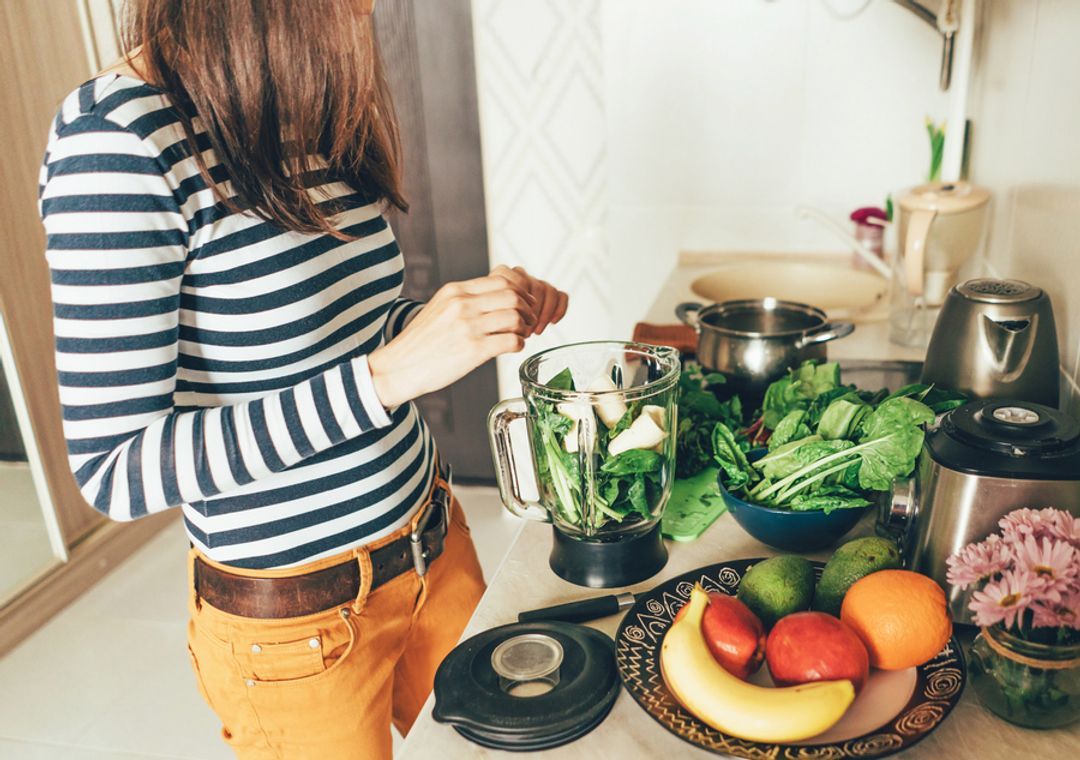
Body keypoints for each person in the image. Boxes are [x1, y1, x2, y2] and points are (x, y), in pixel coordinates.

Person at [37, 1, 567, 757]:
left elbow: (339, 339)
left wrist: (459, 323)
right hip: (298, 634)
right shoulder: (114, 140)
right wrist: (386, 376)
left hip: (434, 549)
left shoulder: (287, 90)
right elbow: (115, 467)